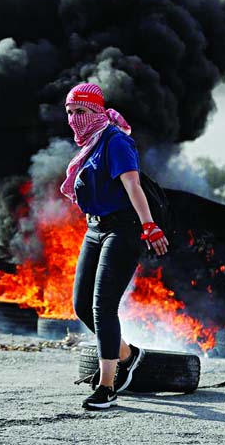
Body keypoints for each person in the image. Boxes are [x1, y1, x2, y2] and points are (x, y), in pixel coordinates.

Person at [61, 83, 169, 409]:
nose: (74, 118)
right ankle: (128, 355)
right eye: (69, 112)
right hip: (94, 229)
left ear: (96, 110)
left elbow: (133, 186)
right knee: (81, 305)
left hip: (123, 229)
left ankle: (107, 387)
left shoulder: (115, 141)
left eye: (81, 111)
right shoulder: (89, 145)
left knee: (102, 307)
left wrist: (149, 226)